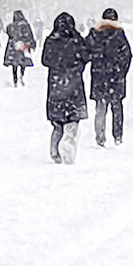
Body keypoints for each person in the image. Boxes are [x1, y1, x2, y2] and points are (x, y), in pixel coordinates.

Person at [42, 12, 88, 164]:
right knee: (73, 120)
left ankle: (55, 151)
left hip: (56, 85)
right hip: (74, 84)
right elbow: (86, 56)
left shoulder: (51, 40)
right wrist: (77, 65)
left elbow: (45, 60)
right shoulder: (76, 40)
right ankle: (69, 140)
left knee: (57, 122)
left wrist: (58, 64)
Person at [85, 8, 132, 147]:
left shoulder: (95, 34)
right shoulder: (119, 35)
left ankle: (100, 137)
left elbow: (85, 52)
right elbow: (127, 55)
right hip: (116, 77)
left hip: (99, 76)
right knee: (117, 107)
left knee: (100, 107)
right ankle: (118, 136)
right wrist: (121, 72)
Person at [3, 10, 36, 87]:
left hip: (14, 47)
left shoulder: (12, 26)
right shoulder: (26, 25)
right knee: (23, 63)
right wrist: (31, 44)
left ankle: (15, 80)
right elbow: (30, 35)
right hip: (23, 46)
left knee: (14, 65)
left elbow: (9, 33)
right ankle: (22, 75)